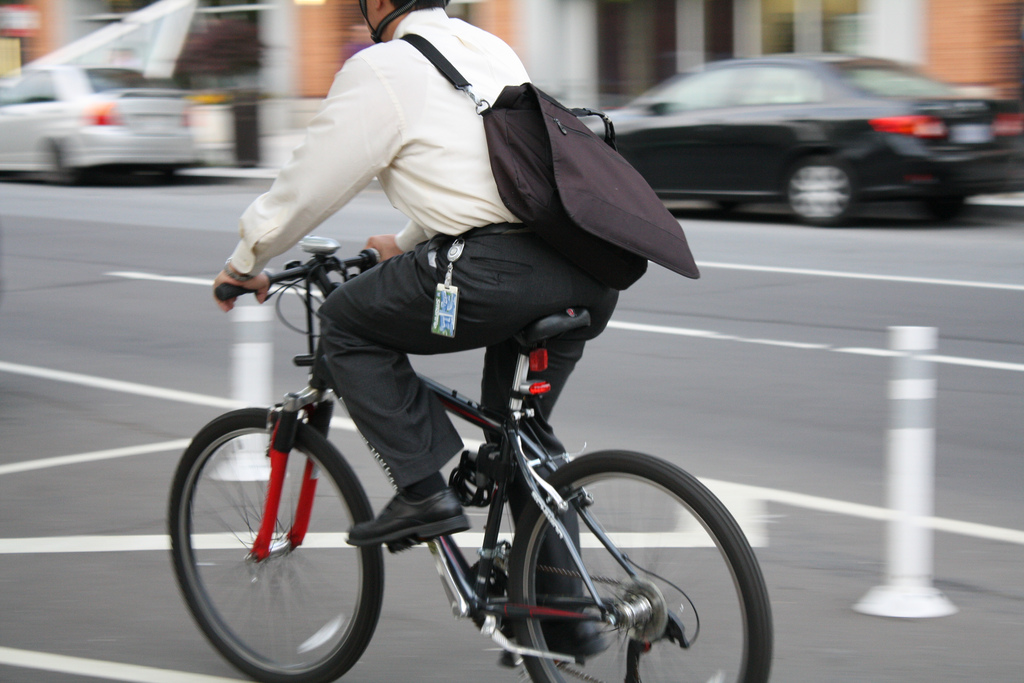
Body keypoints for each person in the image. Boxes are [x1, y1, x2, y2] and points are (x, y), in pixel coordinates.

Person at [213, 0, 617, 561]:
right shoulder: (488, 48)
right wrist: (403, 244)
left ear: (379, 4)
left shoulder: (383, 67)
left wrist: (246, 260)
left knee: (346, 325)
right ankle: (563, 621)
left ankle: (423, 493)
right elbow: (499, 165)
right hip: (586, 268)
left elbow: (310, 183)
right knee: (517, 442)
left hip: (496, 275)